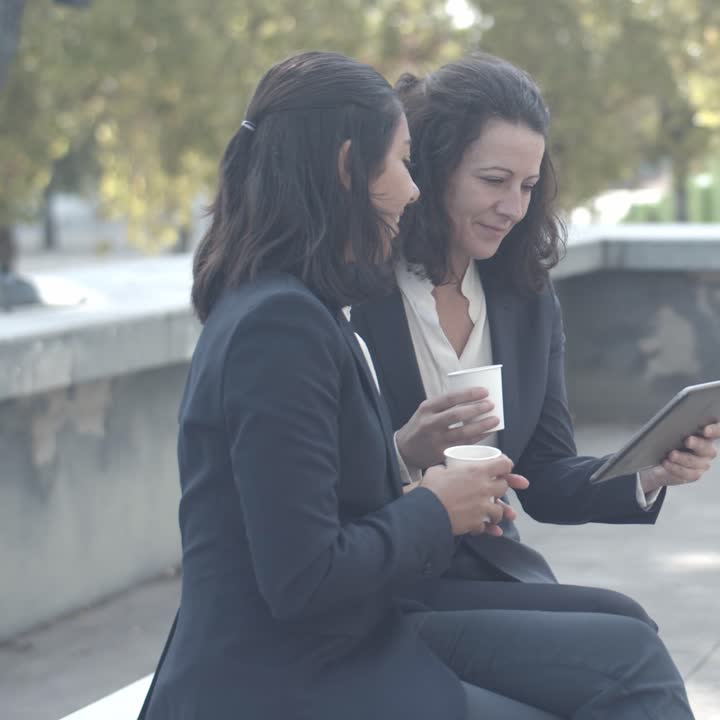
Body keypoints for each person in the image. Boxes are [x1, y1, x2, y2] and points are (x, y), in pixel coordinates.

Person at [142, 50, 691, 720]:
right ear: (350, 167)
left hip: (348, 623)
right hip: (303, 661)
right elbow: (304, 575)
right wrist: (431, 497)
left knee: (628, 642)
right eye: (401, 162)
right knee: (625, 665)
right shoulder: (289, 321)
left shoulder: (291, 305)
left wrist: (645, 469)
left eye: (528, 185)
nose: (409, 188)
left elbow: (325, 498)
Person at [350, 54, 720, 611]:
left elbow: (545, 474)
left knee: (624, 626)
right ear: (429, 169)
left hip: (488, 569)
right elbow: (325, 488)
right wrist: (404, 451)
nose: (513, 208)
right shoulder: (359, 292)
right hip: (382, 581)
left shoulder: (522, 296)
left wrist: (647, 471)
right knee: (621, 643)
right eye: (494, 181)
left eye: (528, 186)